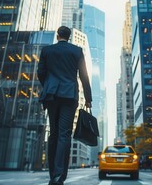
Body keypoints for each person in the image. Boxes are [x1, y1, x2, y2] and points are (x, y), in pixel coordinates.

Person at [37, 26, 92, 185]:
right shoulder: (77, 50)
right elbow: (84, 76)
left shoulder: (47, 50)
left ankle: (52, 173)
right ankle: (59, 176)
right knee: (64, 134)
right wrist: (88, 98)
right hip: (69, 95)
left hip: (51, 95)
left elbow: (41, 73)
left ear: (57, 35)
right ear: (69, 37)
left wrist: (48, 85)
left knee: (53, 134)